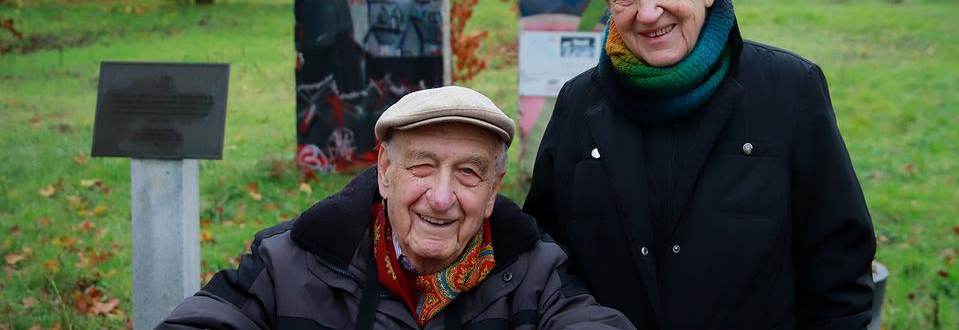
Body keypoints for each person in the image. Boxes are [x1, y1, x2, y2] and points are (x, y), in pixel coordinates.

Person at [523, 0, 877, 329]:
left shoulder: (788, 90)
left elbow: (838, 264)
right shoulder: (579, 104)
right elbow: (546, 253)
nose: (648, 12)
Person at [158, 86, 634, 329]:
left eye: (469, 172)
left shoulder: (536, 272)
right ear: (386, 170)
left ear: (493, 192)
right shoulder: (290, 261)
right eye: (422, 166)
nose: (442, 197)